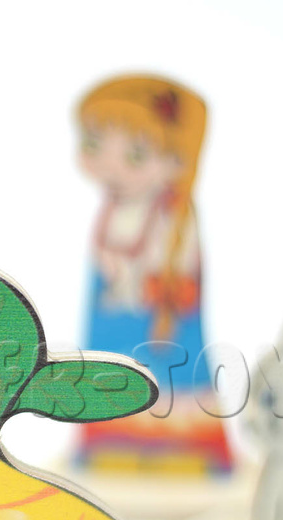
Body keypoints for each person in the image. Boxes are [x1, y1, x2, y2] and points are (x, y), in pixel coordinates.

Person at [75, 75, 231, 475]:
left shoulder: (175, 218)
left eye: (135, 155)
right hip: (112, 318)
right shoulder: (112, 211)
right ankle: (108, 442)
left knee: (172, 381)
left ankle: (184, 448)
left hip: (163, 321)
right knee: (108, 376)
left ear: (176, 162)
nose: (112, 167)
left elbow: (180, 273)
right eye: (95, 145)